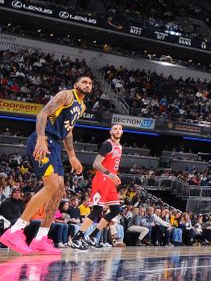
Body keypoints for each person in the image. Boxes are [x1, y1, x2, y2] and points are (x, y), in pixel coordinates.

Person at [0, 75, 92, 255]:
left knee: (58, 193)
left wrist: (72, 156)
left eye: (90, 83)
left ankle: (41, 238)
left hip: (56, 144)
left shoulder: (82, 106)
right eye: (84, 82)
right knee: (50, 186)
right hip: (44, 140)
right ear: (76, 85)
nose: (88, 85)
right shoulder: (66, 95)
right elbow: (42, 113)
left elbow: (68, 131)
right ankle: (15, 231)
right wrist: (41, 139)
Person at [69, 123, 124, 251]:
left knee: (115, 210)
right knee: (97, 211)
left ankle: (92, 236)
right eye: (115, 128)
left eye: (120, 129)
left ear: (122, 132)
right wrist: (110, 174)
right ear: (111, 131)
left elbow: (111, 165)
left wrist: (115, 176)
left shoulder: (119, 147)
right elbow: (96, 164)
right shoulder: (107, 144)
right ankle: (76, 238)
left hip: (110, 181)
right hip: (102, 179)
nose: (117, 130)